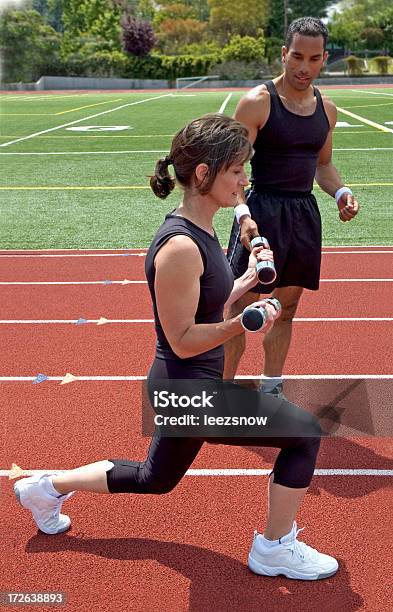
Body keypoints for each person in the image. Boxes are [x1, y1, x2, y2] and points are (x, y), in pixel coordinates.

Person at [14, 114, 338, 581]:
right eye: (235, 171)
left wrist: (243, 283)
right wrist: (244, 322)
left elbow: (203, 305)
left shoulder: (201, 229)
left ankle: (44, 488)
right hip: (188, 389)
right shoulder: (181, 247)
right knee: (305, 433)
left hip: (185, 387)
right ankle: (274, 549)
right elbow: (183, 340)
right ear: (204, 175)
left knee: (155, 479)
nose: (244, 181)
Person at [224, 16, 360, 396]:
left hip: (303, 215)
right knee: (238, 311)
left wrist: (341, 193)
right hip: (260, 212)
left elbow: (323, 165)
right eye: (297, 56)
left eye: (314, 59)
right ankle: (222, 393)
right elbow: (231, 169)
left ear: (324, 59)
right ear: (284, 54)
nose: (304, 67)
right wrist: (243, 215)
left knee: (285, 310)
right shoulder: (256, 103)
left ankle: (271, 388)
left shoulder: (327, 109)